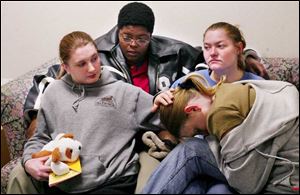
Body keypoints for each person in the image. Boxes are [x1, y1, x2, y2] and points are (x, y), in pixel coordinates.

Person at [23, 2, 268, 143]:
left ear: (151, 36)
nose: (132, 44)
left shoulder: (173, 52)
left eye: (141, 39)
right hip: (117, 134)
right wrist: (36, 119)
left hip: (158, 130)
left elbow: (211, 58)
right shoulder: (98, 54)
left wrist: (245, 57)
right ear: (118, 31)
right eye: (126, 37)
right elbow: (55, 74)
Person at [8, 31, 164, 194]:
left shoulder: (124, 92)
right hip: (63, 182)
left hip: (111, 182)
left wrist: (162, 98)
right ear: (66, 67)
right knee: (18, 173)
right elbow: (40, 137)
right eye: (81, 64)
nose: (92, 68)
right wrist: (28, 161)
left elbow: (169, 117)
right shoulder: (53, 92)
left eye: (94, 58)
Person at [143, 22, 267, 194]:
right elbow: (167, 129)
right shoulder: (190, 82)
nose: (212, 53)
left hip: (234, 165)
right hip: (192, 169)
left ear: (239, 48)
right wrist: (159, 100)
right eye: (207, 48)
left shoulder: (256, 87)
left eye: (220, 46)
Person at [149, 73, 299, 194]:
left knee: (191, 150)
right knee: (193, 175)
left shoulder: (219, 113)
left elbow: (245, 185)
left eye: (197, 130)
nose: (204, 133)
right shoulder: (225, 90)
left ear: (193, 109)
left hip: (283, 182)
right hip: (280, 169)